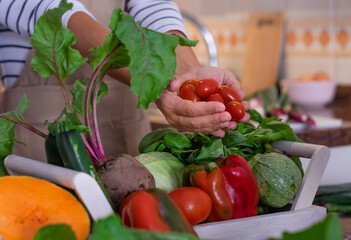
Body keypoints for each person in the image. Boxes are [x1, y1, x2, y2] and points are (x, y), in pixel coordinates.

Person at [0, 0, 249, 161]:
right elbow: (52, 12)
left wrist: (186, 71)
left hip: (127, 128)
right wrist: (153, 80)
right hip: (44, 136)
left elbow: (153, 5)